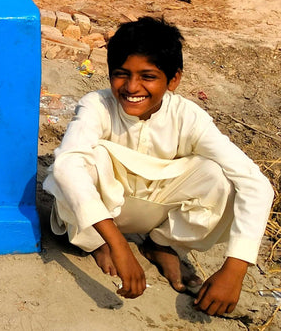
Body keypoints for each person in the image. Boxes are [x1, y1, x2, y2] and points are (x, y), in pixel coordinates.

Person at [44, 16, 274, 317]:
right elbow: (66, 167)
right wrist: (119, 246)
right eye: (121, 74)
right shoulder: (97, 106)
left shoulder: (188, 117)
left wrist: (235, 268)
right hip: (105, 216)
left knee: (219, 177)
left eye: (148, 76)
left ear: (173, 80)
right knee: (83, 161)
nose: (132, 87)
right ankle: (96, 242)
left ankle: (162, 245)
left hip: (154, 208)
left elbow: (256, 184)